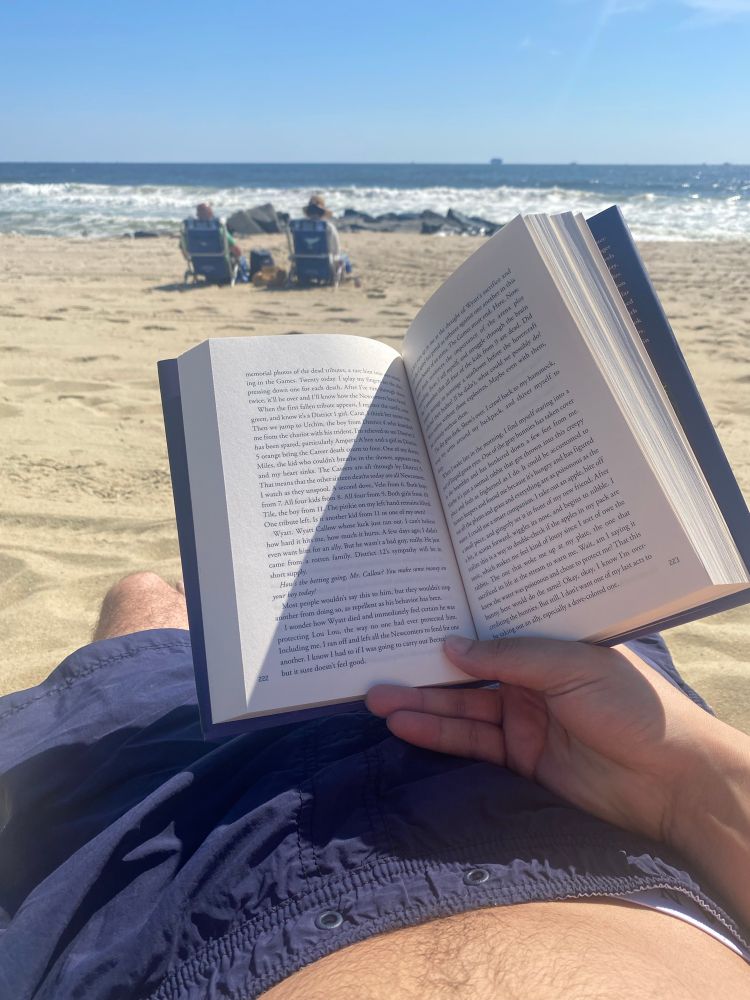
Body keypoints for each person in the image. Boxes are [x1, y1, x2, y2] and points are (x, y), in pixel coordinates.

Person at [0, 571, 748, 998]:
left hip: (188, 876)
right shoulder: (669, 779)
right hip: (592, 796)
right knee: (575, 592)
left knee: (148, 606)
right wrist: (691, 782)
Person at [300, 194, 351, 275]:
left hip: (303, 263)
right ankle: (347, 274)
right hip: (325, 263)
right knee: (344, 257)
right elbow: (336, 249)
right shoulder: (328, 227)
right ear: (322, 213)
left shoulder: (300, 227)